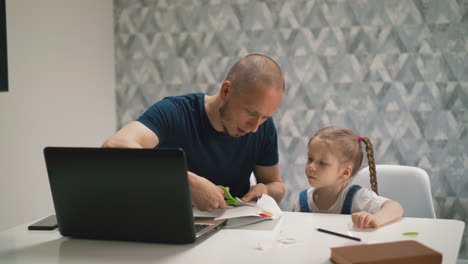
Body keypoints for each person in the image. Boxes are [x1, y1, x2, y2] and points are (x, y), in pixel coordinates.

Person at [102, 54, 286, 212]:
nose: (255, 127)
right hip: (167, 228)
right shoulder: (174, 112)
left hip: (230, 234)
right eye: (251, 113)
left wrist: (266, 191)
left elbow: (275, 184)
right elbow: (114, 147)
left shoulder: (263, 127)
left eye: (264, 117)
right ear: (226, 90)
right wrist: (184, 181)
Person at [293, 126, 404, 228]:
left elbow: (395, 207)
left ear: (345, 172)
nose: (311, 167)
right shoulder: (302, 202)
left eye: (322, 163)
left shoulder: (356, 197)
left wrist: (375, 218)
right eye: (310, 159)